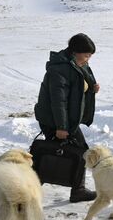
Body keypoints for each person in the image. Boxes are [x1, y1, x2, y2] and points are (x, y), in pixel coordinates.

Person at [34, 33, 100, 203]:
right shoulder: (60, 69)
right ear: (75, 52)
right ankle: (30, 187)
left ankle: (32, 186)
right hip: (55, 120)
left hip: (67, 119)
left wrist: (92, 88)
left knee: (58, 151)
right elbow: (59, 101)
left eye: (90, 56)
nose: (87, 60)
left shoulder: (76, 64)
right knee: (67, 151)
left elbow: (81, 83)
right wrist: (61, 127)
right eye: (86, 55)